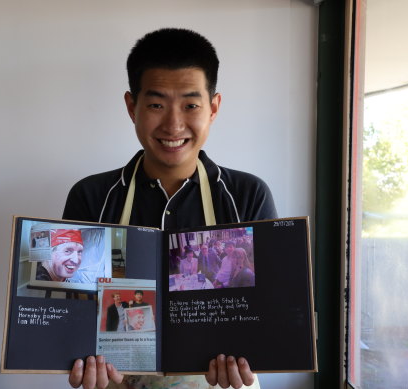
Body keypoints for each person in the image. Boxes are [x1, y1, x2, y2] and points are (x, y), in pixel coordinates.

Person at [65, 28, 277, 389]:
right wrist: (76, 359)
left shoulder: (247, 196)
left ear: (213, 107)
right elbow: (72, 315)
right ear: (132, 107)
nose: (174, 124)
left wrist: (254, 358)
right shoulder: (92, 196)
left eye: (191, 105)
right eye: (156, 104)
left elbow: (270, 315)